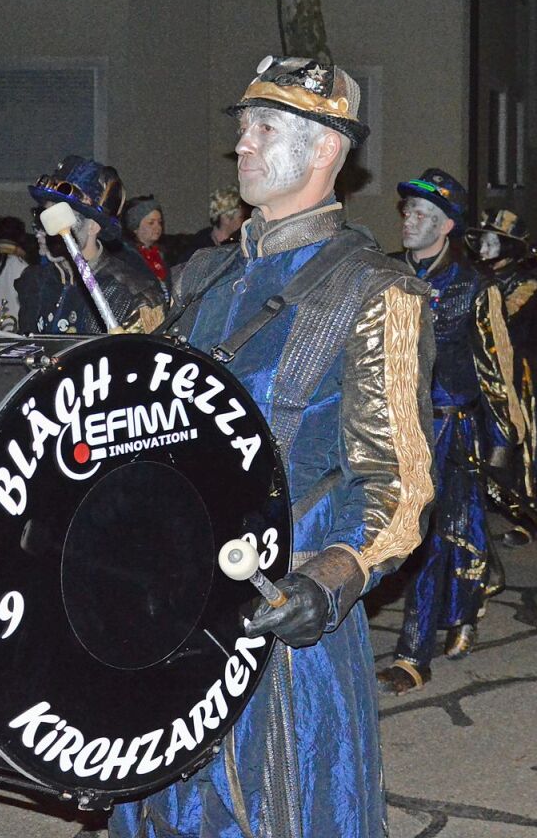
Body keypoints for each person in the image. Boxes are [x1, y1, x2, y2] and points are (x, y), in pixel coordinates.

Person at [111, 56, 436, 838]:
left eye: (264, 129)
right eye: (242, 128)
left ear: (326, 149)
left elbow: (400, 485)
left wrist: (332, 576)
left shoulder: (374, 290)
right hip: (169, 608)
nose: (242, 147)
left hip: (282, 622)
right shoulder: (202, 276)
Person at [377, 172, 524, 697]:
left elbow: (496, 366)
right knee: (428, 533)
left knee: (434, 538)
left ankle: (413, 654)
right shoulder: (388, 276)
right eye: (407, 211)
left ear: (445, 225)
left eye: (420, 214)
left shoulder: (473, 287)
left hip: (450, 431)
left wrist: (505, 438)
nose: (408, 220)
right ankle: (468, 603)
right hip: (392, 429)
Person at [17, 157, 165, 335]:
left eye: (59, 217)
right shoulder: (35, 282)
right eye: (42, 215)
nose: (42, 228)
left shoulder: (134, 296)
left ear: (93, 226)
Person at [465, 209, 537, 546]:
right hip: (489, 375)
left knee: (522, 451)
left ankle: (527, 518)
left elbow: (499, 327)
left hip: (522, 381)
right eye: (481, 240)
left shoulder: (525, 285)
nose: (483, 247)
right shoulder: (480, 279)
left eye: (491, 241)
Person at [175, 184, 249, 264]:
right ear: (226, 219)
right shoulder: (199, 245)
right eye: (240, 217)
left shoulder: (242, 240)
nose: (243, 221)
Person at [123, 195, 170, 299]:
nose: (157, 227)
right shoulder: (127, 258)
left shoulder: (161, 254)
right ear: (135, 227)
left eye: (159, 222)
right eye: (151, 223)